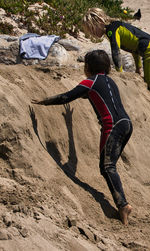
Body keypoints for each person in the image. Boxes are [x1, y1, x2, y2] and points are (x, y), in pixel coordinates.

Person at [32, 50, 133, 225]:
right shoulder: (111, 81)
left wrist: (45, 101)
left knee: (107, 166)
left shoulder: (91, 81)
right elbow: (92, 95)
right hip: (126, 123)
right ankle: (121, 202)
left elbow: (67, 96)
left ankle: (123, 205)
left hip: (112, 125)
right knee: (110, 165)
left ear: (87, 67)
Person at [82, 8, 150, 133]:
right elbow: (134, 47)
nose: (92, 33)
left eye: (92, 29)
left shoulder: (111, 31)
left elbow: (116, 52)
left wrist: (119, 72)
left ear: (99, 21)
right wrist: (138, 68)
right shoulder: (117, 25)